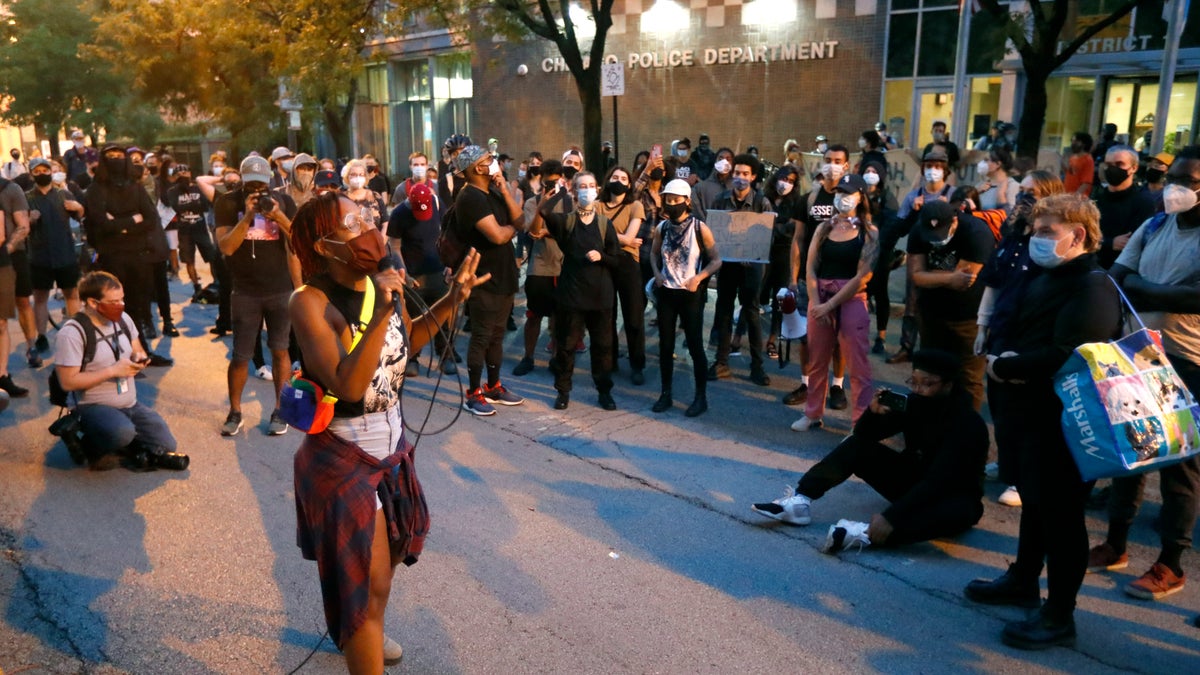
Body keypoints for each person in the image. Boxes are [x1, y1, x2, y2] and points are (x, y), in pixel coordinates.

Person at [289, 189, 489, 672]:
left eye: (366, 217)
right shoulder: (309, 302)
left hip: (391, 446)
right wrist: (380, 309)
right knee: (367, 581)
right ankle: (362, 632)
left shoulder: (382, 287)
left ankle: (366, 628)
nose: (368, 230)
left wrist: (452, 299)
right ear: (323, 245)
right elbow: (348, 385)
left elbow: (410, 341)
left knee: (387, 565)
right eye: (351, 225)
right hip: (342, 454)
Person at [963, 193, 1122, 651]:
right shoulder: (1049, 272)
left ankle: (1059, 615)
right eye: (1035, 230)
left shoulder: (1091, 285)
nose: (1036, 239)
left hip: (1066, 424)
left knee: (1062, 518)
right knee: (1036, 503)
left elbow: (1069, 356)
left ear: (1080, 236)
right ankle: (1023, 580)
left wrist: (1007, 366)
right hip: (1030, 414)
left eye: (1048, 232)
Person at [1087, 145, 1200, 602]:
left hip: (1188, 360)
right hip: (1136, 353)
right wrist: (1158, 291)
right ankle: (1116, 544)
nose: (1174, 187)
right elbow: (1115, 276)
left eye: (1187, 181)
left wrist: (1144, 289)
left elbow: (1194, 300)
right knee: (1130, 455)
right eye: (1172, 176)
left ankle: (1170, 564)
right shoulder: (1155, 224)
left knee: (1181, 467)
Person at [755, 349, 987, 553]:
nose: (917, 389)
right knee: (857, 446)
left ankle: (862, 534)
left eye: (927, 384)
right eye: (913, 381)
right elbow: (863, 438)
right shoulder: (914, 402)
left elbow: (939, 481)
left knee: (958, 513)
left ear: (948, 384)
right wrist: (872, 414)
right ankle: (801, 500)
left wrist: (892, 517)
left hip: (951, 495)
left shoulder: (966, 423)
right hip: (915, 480)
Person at [974, 170, 1064, 509]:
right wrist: (983, 326)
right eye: (1022, 190)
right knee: (999, 403)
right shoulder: (1012, 233)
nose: (1024, 198)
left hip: (1032, 333)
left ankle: (1022, 478)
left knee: (1025, 409)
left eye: (1033, 192)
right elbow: (994, 281)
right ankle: (1008, 464)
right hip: (1002, 327)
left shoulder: (1048, 242)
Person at [53, 271, 185, 471]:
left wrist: (139, 359)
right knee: (120, 432)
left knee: (166, 444)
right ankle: (85, 440)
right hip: (92, 406)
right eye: (114, 301)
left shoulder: (123, 319)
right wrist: (112, 371)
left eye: (122, 299)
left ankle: (126, 443)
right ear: (92, 302)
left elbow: (137, 348)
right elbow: (68, 382)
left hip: (129, 403)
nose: (121, 305)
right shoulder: (72, 333)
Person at [214, 154, 299, 437]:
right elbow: (226, 247)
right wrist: (248, 217)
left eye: (261, 186)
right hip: (245, 291)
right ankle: (235, 411)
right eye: (251, 186)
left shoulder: (282, 201)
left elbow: (299, 240)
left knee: (280, 350)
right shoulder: (227, 202)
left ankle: (279, 410)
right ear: (241, 181)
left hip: (280, 288)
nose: (257, 192)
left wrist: (279, 216)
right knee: (240, 355)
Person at [790, 173, 879, 431]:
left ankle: (860, 423)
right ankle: (813, 413)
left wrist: (830, 306)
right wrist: (818, 304)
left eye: (848, 192)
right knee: (817, 359)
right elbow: (811, 268)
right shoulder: (824, 227)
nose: (842, 197)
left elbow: (863, 276)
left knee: (857, 364)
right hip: (821, 297)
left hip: (850, 299)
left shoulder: (869, 232)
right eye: (839, 192)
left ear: (860, 197)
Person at [533, 171, 622, 410]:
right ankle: (563, 391)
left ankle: (604, 391)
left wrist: (602, 256)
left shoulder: (605, 224)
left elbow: (617, 259)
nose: (587, 190)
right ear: (574, 191)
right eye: (582, 186)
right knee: (566, 346)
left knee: (603, 347)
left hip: (601, 297)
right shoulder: (566, 222)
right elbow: (543, 212)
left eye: (591, 185)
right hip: (572, 296)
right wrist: (560, 191)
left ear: (598, 190)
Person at [451, 145, 527, 416]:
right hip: (481, 278)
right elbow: (497, 235)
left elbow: (521, 220)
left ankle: (493, 385)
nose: (494, 162)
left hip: (504, 274)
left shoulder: (492, 191)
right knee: (482, 336)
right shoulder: (469, 197)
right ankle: (472, 393)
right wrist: (510, 230)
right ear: (476, 168)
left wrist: (505, 190)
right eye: (488, 159)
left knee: (497, 335)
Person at [84, 145, 171, 366]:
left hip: (138, 255)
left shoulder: (135, 186)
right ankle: (114, 354)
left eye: (119, 157)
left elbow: (151, 218)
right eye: (110, 157)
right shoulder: (96, 189)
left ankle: (141, 351)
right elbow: (100, 224)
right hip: (112, 257)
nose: (116, 160)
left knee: (137, 305)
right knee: (111, 306)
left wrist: (118, 224)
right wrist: (133, 219)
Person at [906, 198, 994, 411]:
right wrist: (947, 278)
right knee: (928, 373)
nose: (935, 239)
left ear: (954, 221)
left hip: (968, 317)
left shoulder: (976, 232)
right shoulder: (919, 230)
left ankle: (964, 430)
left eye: (941, 232)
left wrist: (929, 275)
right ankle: (927, 425)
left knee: (968, 378)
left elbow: (963, 282)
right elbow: (916, 276)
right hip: (930, 313)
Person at [786, 145, 854, 407]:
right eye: (828, 160)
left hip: (842, 278)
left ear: (846, 165)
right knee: (806, 337)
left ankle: (836, 387)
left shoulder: (852, 200)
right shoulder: (809, 199)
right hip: (810, 279)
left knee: (840, 337)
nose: (832, 165)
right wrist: (793, 277)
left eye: (838, 161)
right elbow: (798, 240)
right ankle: (806, 383)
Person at [651, 178, 721, 417]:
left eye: (675, 200)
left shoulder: (700, 228)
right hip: (667, 293)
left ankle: (700, 397)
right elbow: (653, 254)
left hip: (690, 294)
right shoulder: (662, 228)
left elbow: (716, 260)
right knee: (666, 345)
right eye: (667, 200)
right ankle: (666, 393)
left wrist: (699, 278)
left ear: (686, 201)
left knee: (694, 346)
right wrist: (657, 273)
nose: (670, 204)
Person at [885, 147, 957, 365]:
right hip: (917, 255)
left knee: (940, 304)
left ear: (944, 170)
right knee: (912, 302)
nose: (932, 171)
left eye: (937, 167)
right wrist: (914, 212)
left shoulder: (952, 194)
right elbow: (899, 228)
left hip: (944, 258)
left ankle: (936, 350)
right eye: (928, 166)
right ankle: (907, 347)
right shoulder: (913, 195)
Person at [708, 153, 773, 387]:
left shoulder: (761, 202)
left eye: (745, 174)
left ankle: (757, 367)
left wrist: (751, 255)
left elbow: (766, 237)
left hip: (751, 266)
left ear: (753, 177)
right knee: (723, 311)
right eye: (737, 173)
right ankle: (721, 362)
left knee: (752, 313)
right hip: (727, 265)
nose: (740, 178)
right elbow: (712, 232)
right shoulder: (720, 200)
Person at [385, 182, 456, 375]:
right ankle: (412, 358)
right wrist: (403, 272)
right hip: (413, 275)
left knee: (443, 317)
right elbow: (395, 246)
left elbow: (448, 235)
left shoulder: (437, 204)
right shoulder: (399, 213)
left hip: (438, 271)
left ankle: (446, 356)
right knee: (413, 318)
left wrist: (450, 263)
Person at [26, 158, 84, 349]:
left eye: (45, 170)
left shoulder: (63, 194)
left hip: (65, 253)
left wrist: (79, 208)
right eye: (37, 171)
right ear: (31, 174)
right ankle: (41, 336)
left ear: (51, 172)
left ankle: (76, 333)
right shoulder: (26, 198)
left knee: (72, 294)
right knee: (40, 298)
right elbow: (20, 225)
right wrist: (30, 220)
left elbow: (80, 215)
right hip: (39, 256)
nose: (42, 173)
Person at [597, 165, 647, 384]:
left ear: (629, 184)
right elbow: (626, 239)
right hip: (604, 263)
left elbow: (632, 234)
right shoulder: (597, 206)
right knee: (606, 316)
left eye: (623, 178)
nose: (618, 181)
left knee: (633, 317)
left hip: (628, 264)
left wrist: (612, 237)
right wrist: (624, 240)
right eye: (614, 177)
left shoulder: (636, 205)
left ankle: (637, 365)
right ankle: (610, 362)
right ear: (608, 180)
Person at [763, 165, 804, 359]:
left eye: (790, 181)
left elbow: (793, 228)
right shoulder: (765, 198)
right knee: (754, 294)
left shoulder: (796, 203)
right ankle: (738, 337)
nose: (785, 183)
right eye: (783, 178)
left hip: (784, 253)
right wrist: (780, 226)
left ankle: (772, 338)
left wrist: (773, 226)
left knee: (779, 297)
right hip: (762, 251)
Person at [1096, 144, 1157, 269]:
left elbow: (1133, 243)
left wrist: (1100, 241)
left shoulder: (1144, 201)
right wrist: (1109, 242)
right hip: (1093, 267)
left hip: (1121, 271)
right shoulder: (1096, 197)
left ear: (1133, 168)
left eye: (1119, 164)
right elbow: (1083, 237)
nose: (1112, 169)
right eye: (1108, 164)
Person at [861, 160, 900, 354]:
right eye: (867, 170)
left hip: (881, 251)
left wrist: (877, 240)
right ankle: (858, 332)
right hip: (860, 249)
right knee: (861, 291)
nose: (870, 174)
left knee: (880, 291)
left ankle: (881, 336)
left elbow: (892, 223)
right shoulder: (858, 195)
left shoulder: (887, 197)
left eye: (874, 171)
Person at [975, 147, 1020, 213]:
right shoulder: (980, 185)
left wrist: (1001, 196)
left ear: (998, 164)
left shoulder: (1012, 186)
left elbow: (1010, 217)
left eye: (986, 160)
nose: (981, 163)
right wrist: (975, 193)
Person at [1062, 132, 1095, 196]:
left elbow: (1086, 183)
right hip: (1067, 195)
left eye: (1076, 141)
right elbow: (1071, 173)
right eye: (1072, 141)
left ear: (1084, 144)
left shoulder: (1088, 160)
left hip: (1078, 199)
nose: (1073, 143)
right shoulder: (1072, 157)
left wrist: (1076, 197)